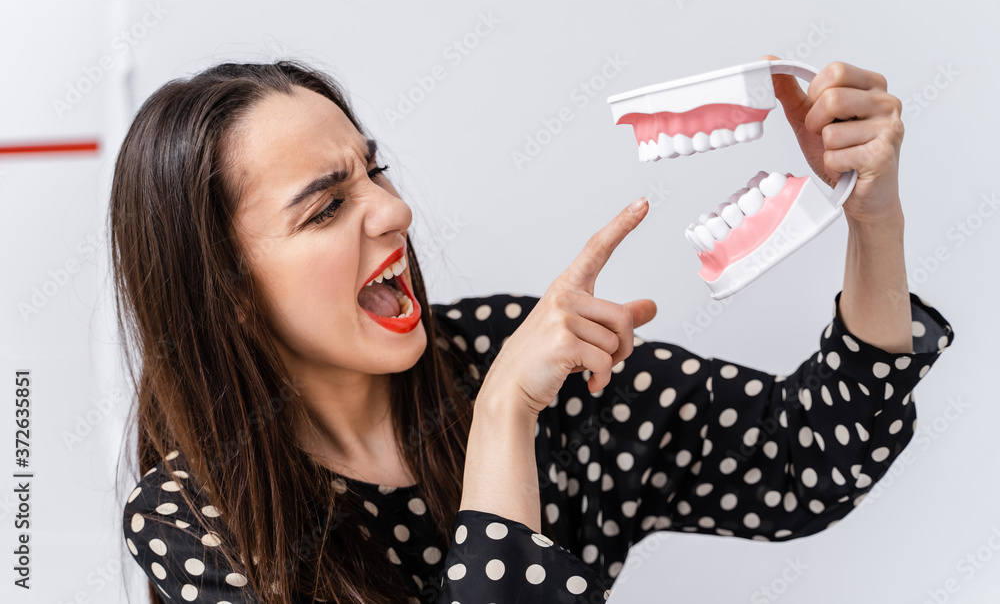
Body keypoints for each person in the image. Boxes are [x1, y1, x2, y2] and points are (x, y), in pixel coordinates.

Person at [115, 58, 954, 603]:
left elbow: (807, 458)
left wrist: (871, 216)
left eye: (376, 171)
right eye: (329, 206)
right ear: (228, 295)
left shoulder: (512, 352)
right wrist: (502, 420)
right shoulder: (194, 518)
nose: (396, 211)